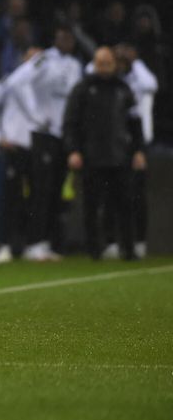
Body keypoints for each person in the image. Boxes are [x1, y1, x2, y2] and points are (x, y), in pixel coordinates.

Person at [64, 47, 145, 260]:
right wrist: (73, 150)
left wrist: (138, 150)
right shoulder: (83, 88)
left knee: (124, 205)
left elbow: (135, 123)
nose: (105, 67)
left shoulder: (123, 88)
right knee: (91, 205)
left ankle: (128, 248)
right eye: (101, 63)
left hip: (120, 156)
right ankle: (94, 250)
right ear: (94, 64)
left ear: (114, 64)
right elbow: (70, 122)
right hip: (92, 156)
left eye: (108, 63)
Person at [17, 27, 83, 260]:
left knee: (57, 191)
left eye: (70, 38)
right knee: (40, 189)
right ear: (55, 38)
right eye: (62, 37)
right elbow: (19, 82)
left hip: (63, 135)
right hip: (43, 134)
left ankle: (51, 243)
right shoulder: (43, 59)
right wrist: (34, 115)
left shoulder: (75, 65)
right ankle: (34, 242)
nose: (66, 41)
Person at [0, 47, 43, 263]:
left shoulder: (43, 86)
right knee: (12, 199)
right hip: (14, 146)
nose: (33, 63)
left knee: (37, 198)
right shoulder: (8, 82)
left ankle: (34, 245)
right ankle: (6, 245)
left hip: (38, 145)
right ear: (23, 59)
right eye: (30, 58)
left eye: (37, 59)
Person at [108, 44, 157, 259]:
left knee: (137, 195)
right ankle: (114, 242)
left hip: (139, 141)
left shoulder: (139, 76)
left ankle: (139, 241)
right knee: (115, 195)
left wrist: (135, 61)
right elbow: (92, 70)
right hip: (116, 143)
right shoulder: (114, 81)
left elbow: (151, 84)